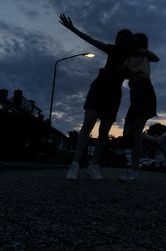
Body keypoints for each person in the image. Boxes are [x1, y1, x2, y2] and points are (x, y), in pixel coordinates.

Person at [59, 13, 133, 180]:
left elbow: (150, 60)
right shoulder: (112, 50)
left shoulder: (133, 58)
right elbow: (92, 40)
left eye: (124, 39)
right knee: (88, 124)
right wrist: (73, 29)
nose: (120, 41)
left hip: (114, 94)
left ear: (130, 42)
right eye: (119, 38)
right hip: (100, 87)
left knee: (104, 131)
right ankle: (75, 165)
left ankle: (94, 166)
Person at [118, 33, 160, 181]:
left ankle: (134, 171)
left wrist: (144, 51)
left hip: (145, 90)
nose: (134, 44)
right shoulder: (129, 59)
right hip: (135, 94)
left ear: (141, 44)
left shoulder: (145, 57)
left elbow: (156, 58)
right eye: (133, 42)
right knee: (127, 133)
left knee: (136, 133)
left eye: (137, 42)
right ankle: (157, 141)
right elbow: (122, 72)